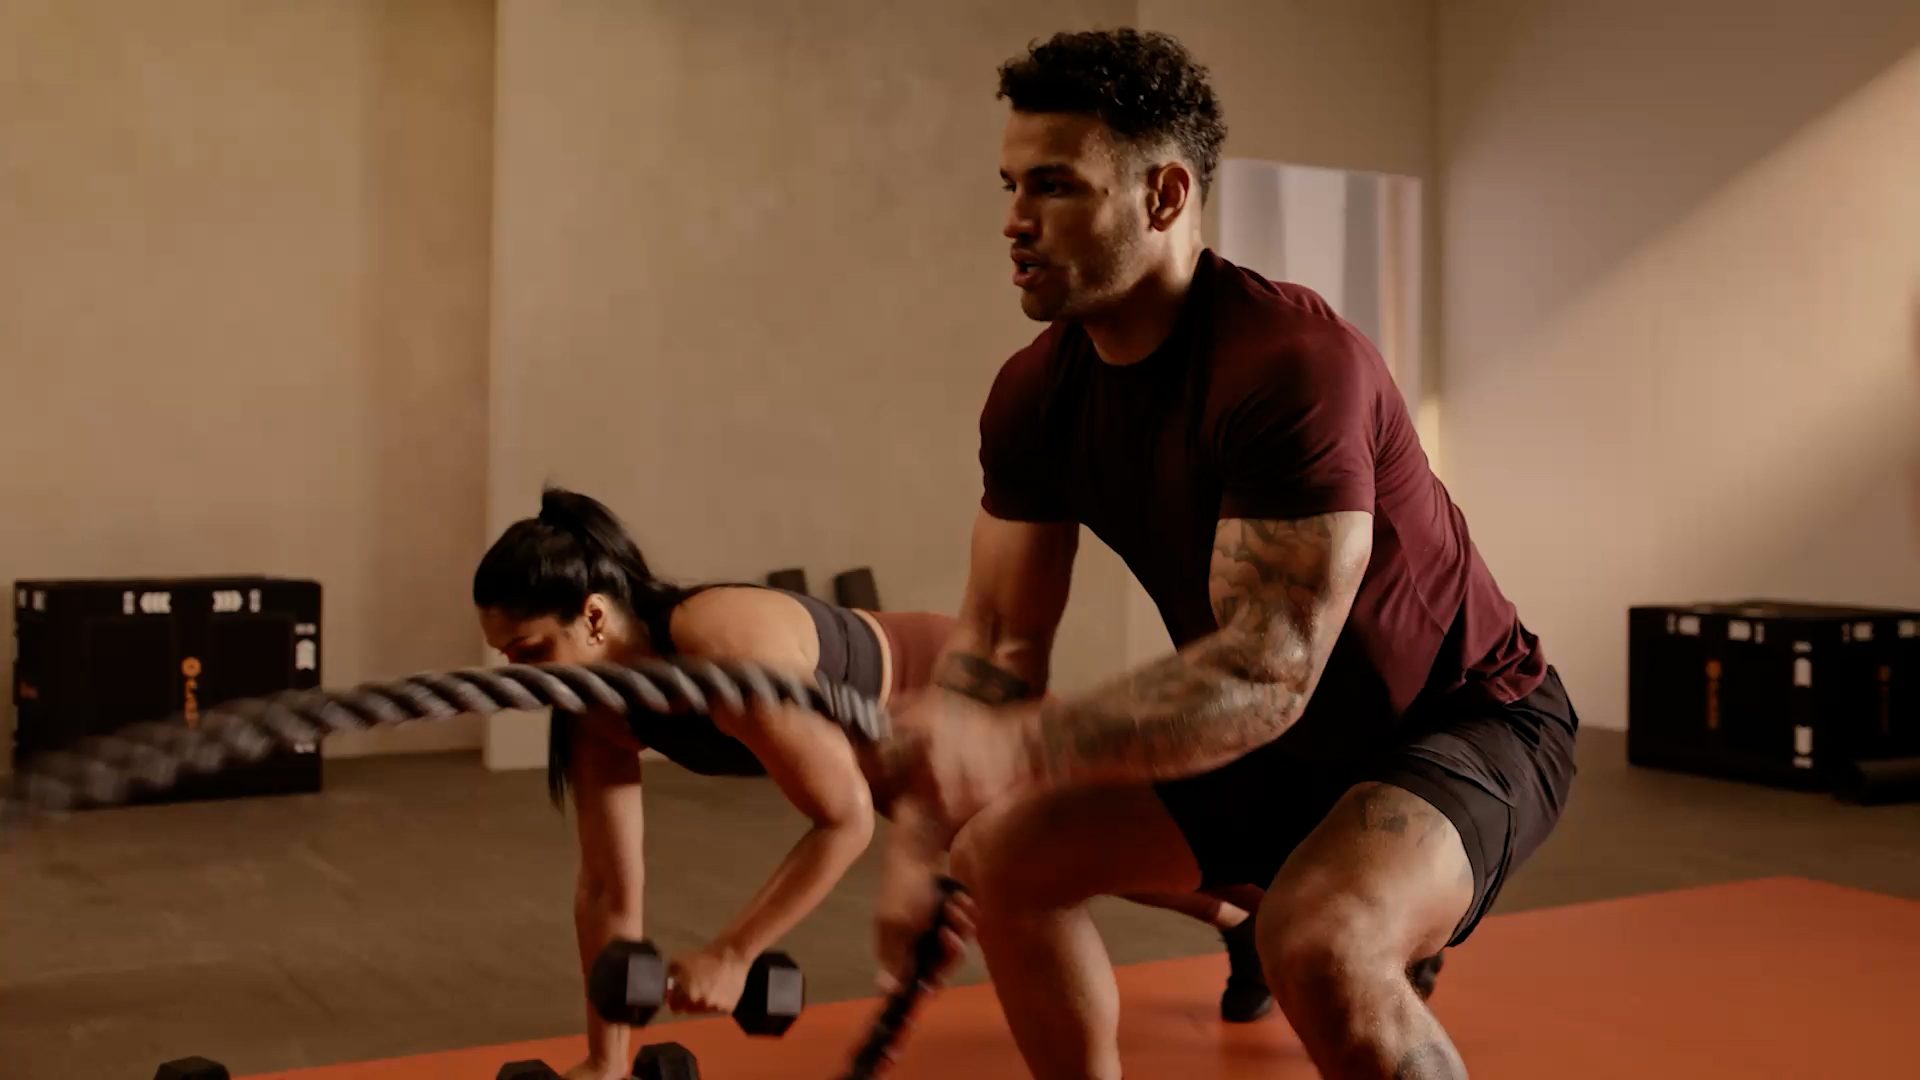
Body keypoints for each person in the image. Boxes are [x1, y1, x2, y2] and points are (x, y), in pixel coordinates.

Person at [872, 28, 1579, 1080]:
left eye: (1055, 187)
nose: (1015, 222)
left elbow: (1264, 669)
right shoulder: (1034, 397)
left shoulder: (1290, 366)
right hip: (1271, 747)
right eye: (1012, 184)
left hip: (1463, 724)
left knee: (1321, 946)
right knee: (1002, 861)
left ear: (1163, 197)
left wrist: (1016, 749)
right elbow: (1000, 644)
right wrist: (922, 842)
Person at [472, 488, 1268, 1080]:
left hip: (934, 693)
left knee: (1113, 840)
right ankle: (1242, 924)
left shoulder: (718, 646)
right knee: (1072, 857)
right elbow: (610, 886)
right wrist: (606, 1064)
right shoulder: (595, 711)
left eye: (530, 651)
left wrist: (734, 952)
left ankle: (1282, 911)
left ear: (595, 617)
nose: (520, 678)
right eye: (506, 660)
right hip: (866, 754)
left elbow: (842, 819)